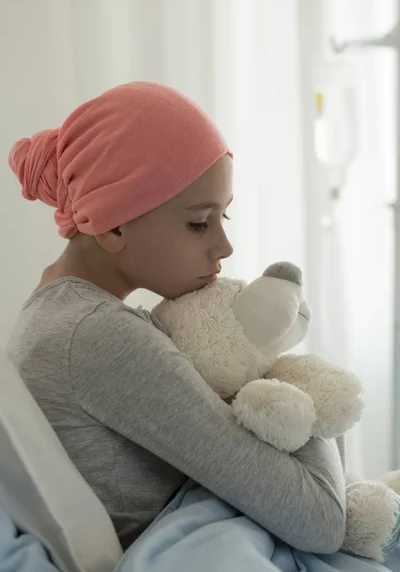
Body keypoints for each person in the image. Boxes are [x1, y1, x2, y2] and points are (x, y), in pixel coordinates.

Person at [6, 81, 346, 553]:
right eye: (197, 222)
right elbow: (322, 519)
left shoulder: (50, 317)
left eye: (223, 217)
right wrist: (292, 378)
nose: (224, 247)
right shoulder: (98, 337)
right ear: (113, 223)